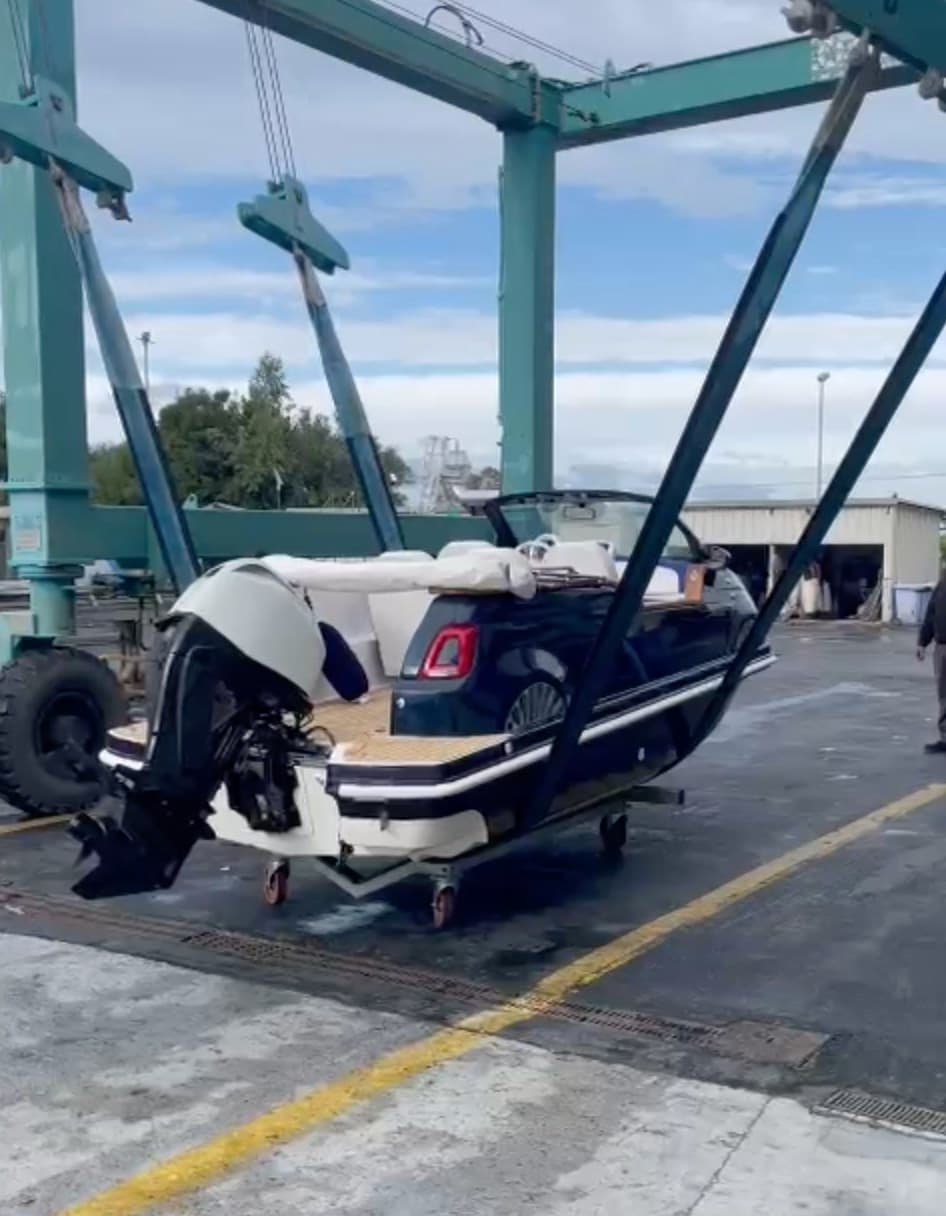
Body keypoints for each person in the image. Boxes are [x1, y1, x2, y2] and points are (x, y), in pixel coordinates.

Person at [917, 574, 946, 753]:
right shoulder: (942, 585)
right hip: (942, 647)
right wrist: (922, 642)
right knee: (944, 694)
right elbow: (931, 614)